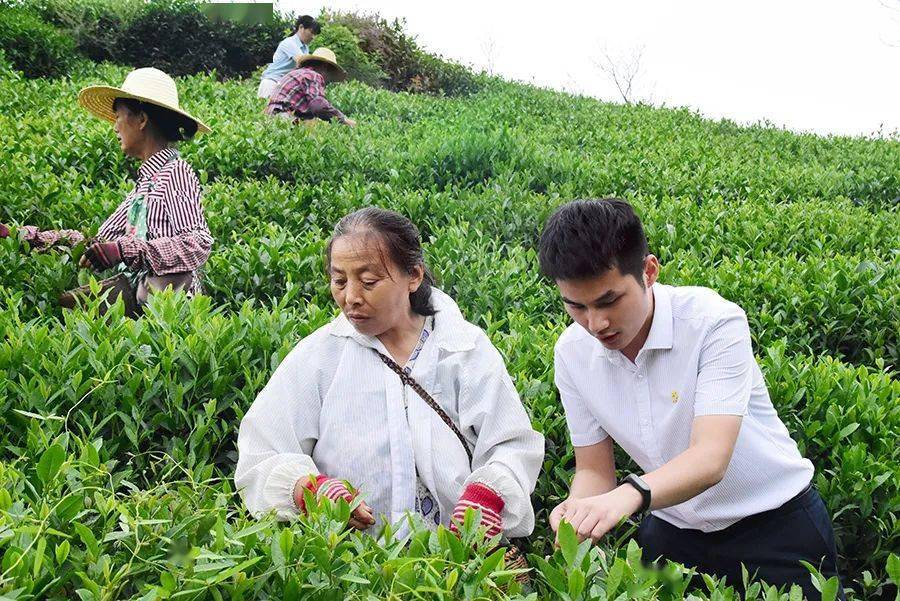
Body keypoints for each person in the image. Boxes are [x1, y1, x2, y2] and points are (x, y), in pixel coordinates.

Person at [539, 198, 845, 599]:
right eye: (575, 306)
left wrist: (628, 497)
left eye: (609, 301)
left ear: (649, 271)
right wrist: (577, 512)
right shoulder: (572, 353)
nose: (595, 324)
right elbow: (595, 470)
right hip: (672, 530)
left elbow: (710, 458)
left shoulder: (712, 323)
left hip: (776, 526)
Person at [235, 207, 543, 541]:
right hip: (351, 569)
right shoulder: (320, 356)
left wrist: (488, 494)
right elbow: (263, 449)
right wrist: (309, 489)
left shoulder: (463, 350)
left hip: (455, 562)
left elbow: (511, 444)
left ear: (414, 276)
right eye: (339, 281)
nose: (351, 298)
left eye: (369, 282)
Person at [0, 67, 213, 318]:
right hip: (145, 309)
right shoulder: (146, 183)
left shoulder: (175, 173)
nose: (115, 127)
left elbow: (198, 242)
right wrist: (21, 236)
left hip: (169, 317)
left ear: (142, 119)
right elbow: (98, 242)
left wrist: (126, 250)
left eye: (118, 117)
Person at [264, 47, 356, 127]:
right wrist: (343, 120)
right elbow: (319, 106)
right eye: (331, 73)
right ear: (325, 67)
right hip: (282, 117)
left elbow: (308, 112)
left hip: (269, 118)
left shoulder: (297, 73)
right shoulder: (314, 75)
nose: (329, 80)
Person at [257, 14, 321, 99]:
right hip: (271, 83)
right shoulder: (289, 43)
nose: (313, 37)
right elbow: (303, 62)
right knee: (266, 111)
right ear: (301, 27)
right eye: (311, 32)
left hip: (283, 86)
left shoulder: (305, 48)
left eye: (315, 34)